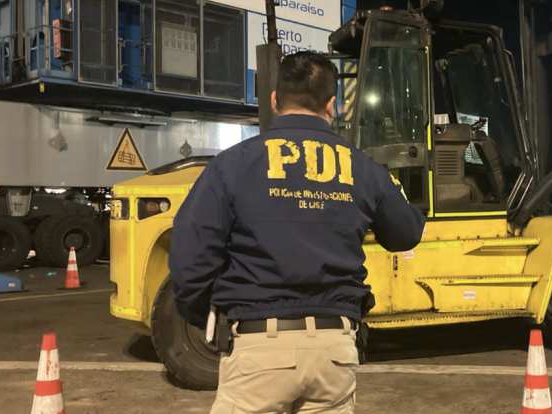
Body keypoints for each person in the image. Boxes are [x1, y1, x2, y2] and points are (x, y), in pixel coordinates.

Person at [168, 51, 426, 413]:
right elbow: (407, 233)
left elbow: (189, 258)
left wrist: (210, 318)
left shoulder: (233, 164)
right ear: (332, 105)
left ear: (274, 101)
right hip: (335, 350)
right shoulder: (363, 167)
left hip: (258, 347)